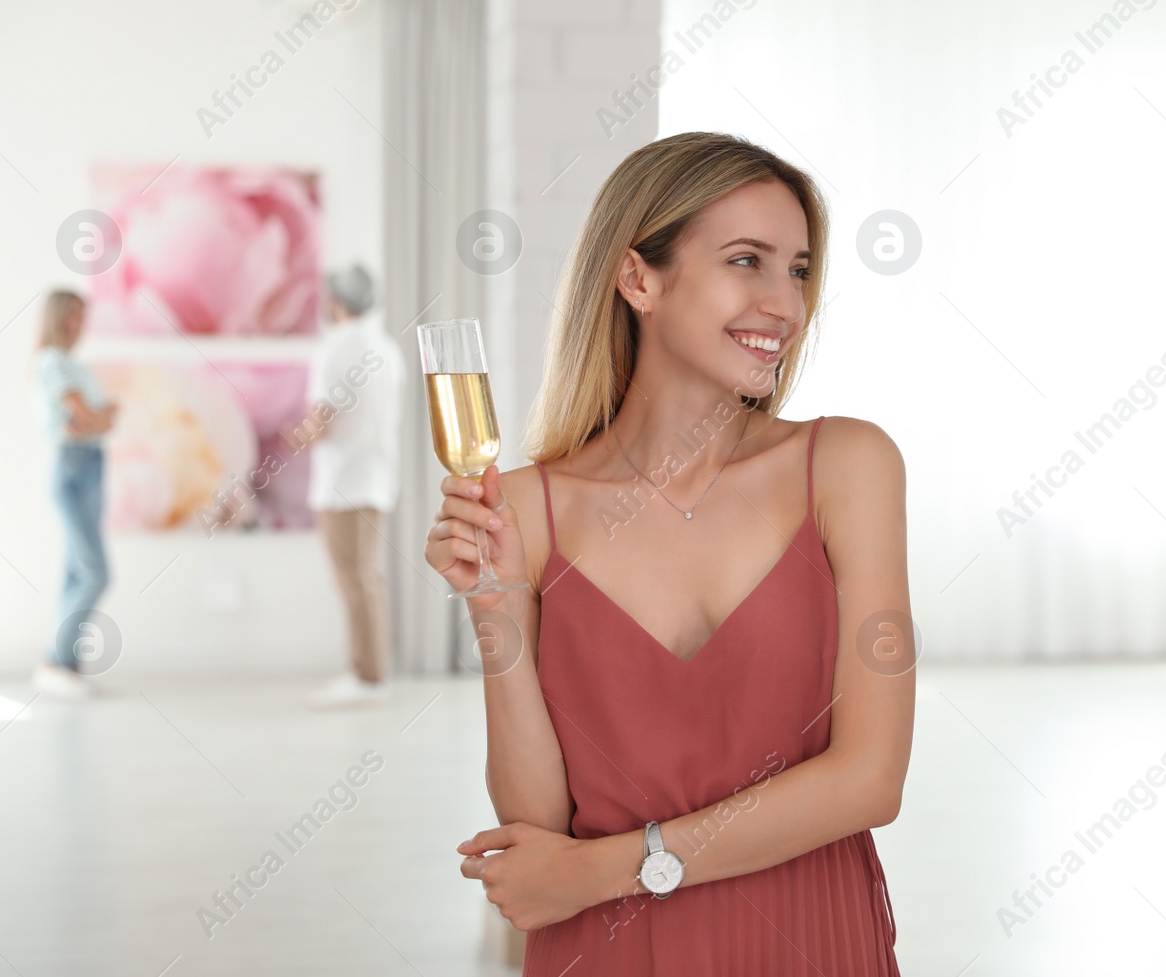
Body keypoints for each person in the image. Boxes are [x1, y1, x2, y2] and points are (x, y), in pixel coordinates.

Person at [428, 132, 914, 974]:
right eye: (746, 260)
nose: (784, 303)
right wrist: (496, 613)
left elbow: (870, 778)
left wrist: (610, 869)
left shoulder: (845, 466)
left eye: (797, 270)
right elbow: (538, 821)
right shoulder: (530, 508)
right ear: (638, 277)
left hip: (809, 940)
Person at [302, 263, 405, 709]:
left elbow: (320, 423)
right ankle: (370, 672)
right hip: (378, 478)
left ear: (334, 302)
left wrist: (295, 437)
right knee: (367, 577)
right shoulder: (387, 349)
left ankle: (366, 675)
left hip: (342, 481)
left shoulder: (334, 349)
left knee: (353, 579)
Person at [32, 290, 117, 699]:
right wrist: (96, 417)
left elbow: (103, 419)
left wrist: (96, 418)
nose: (82, 324)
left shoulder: (73, 366)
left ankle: (64, 664)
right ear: (60, 318)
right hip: (74, 467)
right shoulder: (52, 361)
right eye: (76, 316)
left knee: (74, 573)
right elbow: (86, 417)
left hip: (91, 464)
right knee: (95, 573)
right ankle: (55, 661)